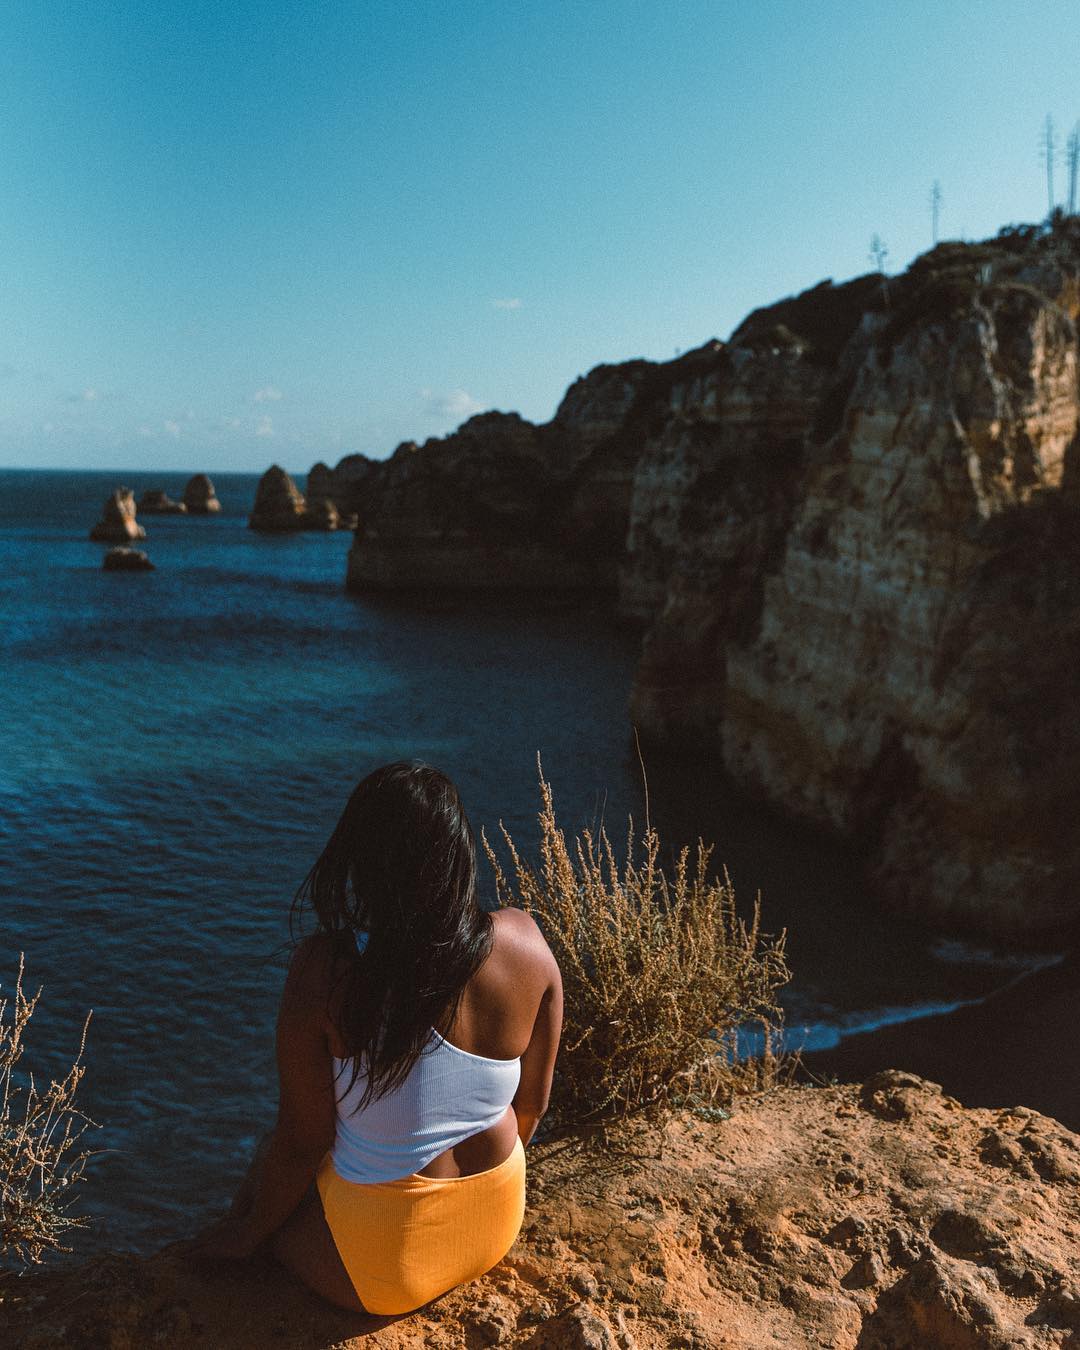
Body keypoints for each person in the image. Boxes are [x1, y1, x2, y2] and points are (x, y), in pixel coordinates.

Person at [190, 762, 563, 1317]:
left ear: (363, 863)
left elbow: (301, 1140)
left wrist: (244, 1238)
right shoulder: (526, 943)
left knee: (273, 1168)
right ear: (459, 856)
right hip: (497, 1220)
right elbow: (531, 1105)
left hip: (384, 1270)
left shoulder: (327, 971)